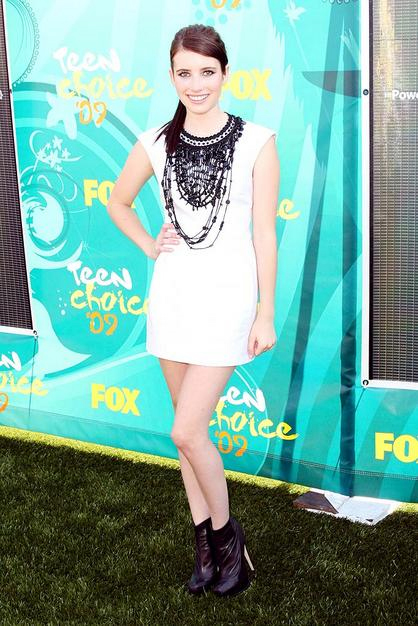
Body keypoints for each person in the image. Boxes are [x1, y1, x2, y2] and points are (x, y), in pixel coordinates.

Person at [107, 23, 280, 598]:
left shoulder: (258, 141)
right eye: (185, 72)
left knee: (185, 429)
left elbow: (264, 234)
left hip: (229, 300)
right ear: (172, 75)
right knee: (188, 435)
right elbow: (118, 202)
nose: (196, 83)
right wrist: (148, 244)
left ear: (225, 73)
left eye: (207, 71)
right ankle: (205, 547)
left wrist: (266, 312)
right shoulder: (156, 141)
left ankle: (230, 541)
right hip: (173, 298)